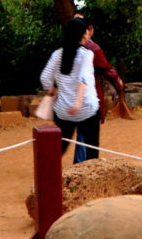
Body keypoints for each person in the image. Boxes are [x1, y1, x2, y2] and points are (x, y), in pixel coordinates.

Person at [40, 16, 100, 162]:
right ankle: (91, 181)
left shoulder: (57, 54)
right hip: (86, 109)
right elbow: (83, 78)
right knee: (92, 148)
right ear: (82, 34)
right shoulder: (87, 54)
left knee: (60, 147)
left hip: (63, 111)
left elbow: (45, 77)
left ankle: (45, 177)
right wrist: (78, 102)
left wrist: (51, 89)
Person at [73, 19, 123, 164]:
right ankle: (85, 166)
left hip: (73, 96)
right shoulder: (92, 48)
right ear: (90, 29)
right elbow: (106, 68)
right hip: (89, 97)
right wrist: (117, 82)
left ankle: (80, 164)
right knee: (88, 135)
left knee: (82, 132)